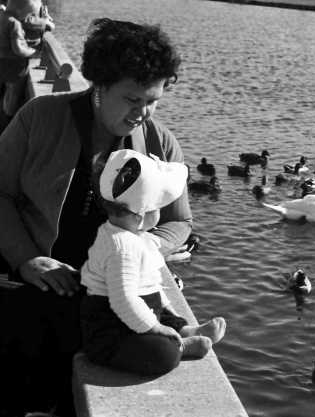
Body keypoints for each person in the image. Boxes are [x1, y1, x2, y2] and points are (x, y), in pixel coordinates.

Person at [0, 18, 191, 416]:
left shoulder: (161, 140)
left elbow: (179, 222)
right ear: (99, 86)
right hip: (40, 290)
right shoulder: (39, 117)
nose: (145, 113)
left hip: (110, 299)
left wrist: (145, 247)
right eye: (134, 99)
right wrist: (25, 258)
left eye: (153, 100)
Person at [80, 149, 225, 376]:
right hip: (112, 329)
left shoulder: (137, 237)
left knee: (161, 309)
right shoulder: (122, 248)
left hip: (137, 310)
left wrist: (165, 309)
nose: (161, 213)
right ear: (141, 214)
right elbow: (123, 300)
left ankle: (186, 330)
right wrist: (155, 327)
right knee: (161, 355)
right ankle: (181, 346)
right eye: (158, 207)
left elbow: (151, 283)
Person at [0, 0, 53, 130]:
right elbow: (19, 49)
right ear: (22, 11)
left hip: (2, 61)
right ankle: (6, 126)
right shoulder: (15, 23)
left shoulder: (2, 17)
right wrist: (33, 52)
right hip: (15, 66)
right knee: (12, 98)